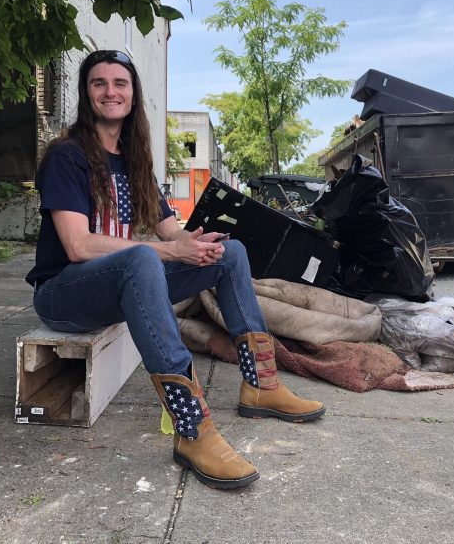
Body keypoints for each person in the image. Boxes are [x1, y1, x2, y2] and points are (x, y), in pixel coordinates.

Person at [25, 49, 325, 490]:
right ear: (87, 94)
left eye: (120, 83)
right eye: (99, 83)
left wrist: (193, 245)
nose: (110, 91)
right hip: (64, 294)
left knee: (232, 253)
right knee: (143, 256)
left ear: (133, 94)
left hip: (116, 283)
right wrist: (168, 253)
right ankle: (192, 431)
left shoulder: (133, 158)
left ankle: (261, 384)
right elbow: (78, 244)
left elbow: (167, 227)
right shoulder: (67, 156)